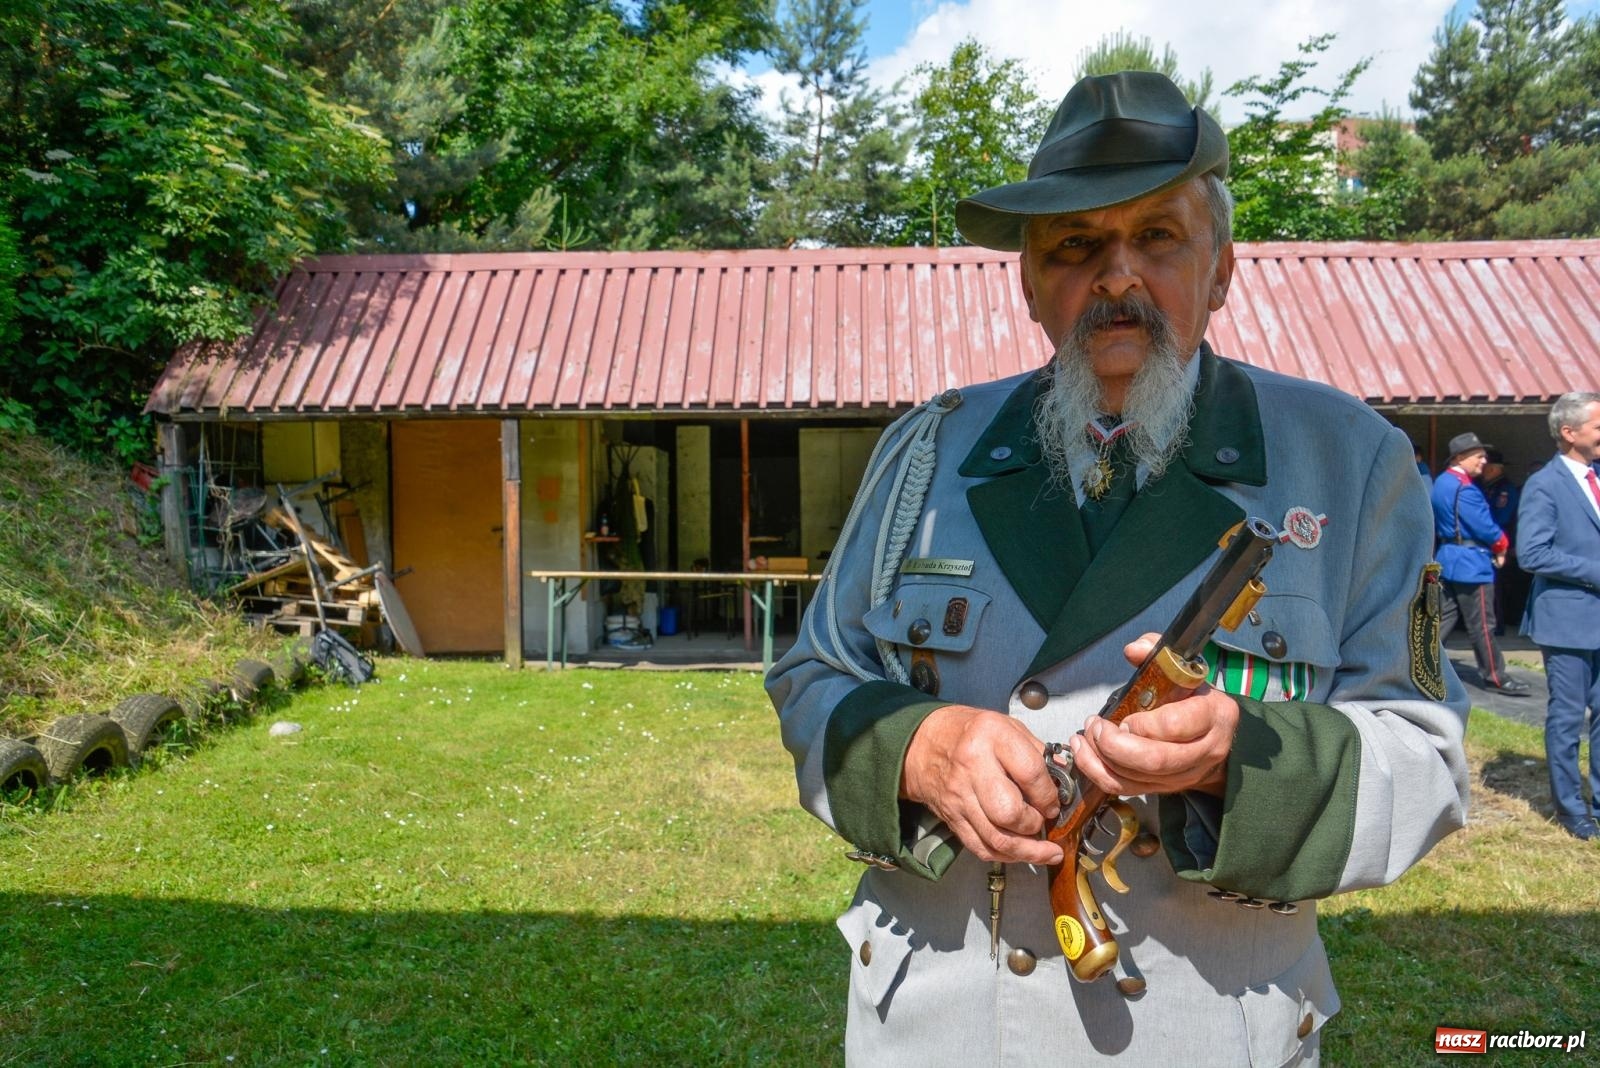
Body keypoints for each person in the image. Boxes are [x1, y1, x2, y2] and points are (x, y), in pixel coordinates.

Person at [767, 71, 1470, 1066]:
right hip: (936, 1028)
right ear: (1027, 279)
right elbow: (813, 678)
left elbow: (1426, 758)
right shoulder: (926, 451)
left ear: (1220, 269)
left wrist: (1243, 759)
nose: (1116, 276)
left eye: (1157, 238)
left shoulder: (1349, 462)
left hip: (1199, 1031)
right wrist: (916, 747)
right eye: (1077, 245)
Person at [1516, 392, 1600, 841]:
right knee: (1568, 718)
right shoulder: (1545, 484)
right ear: (1569, 433)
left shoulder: (1595, 477)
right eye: (1598, 427)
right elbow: (1532, 553)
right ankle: (1572, 811)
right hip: (1567, 622)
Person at [1429, 433, 1531, 695]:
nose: (1484, 461)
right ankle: (1495, 676)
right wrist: (1501, 544)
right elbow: (1484, 526)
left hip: (1449, 557)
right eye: (1478, 456)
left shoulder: (1442, 482)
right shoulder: (1465, 488)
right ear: (1460, 458)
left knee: (1442, 619)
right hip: (1471, 563)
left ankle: (1420, 666)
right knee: (1483, 624)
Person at [1480, 450, 1528, 634]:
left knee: (1497, 585)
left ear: (1493, 469)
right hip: (1489, 541)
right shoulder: (1485, 486)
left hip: (1499, 541)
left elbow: (1502, 517)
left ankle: (1497, 624)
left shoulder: (1504, 489)